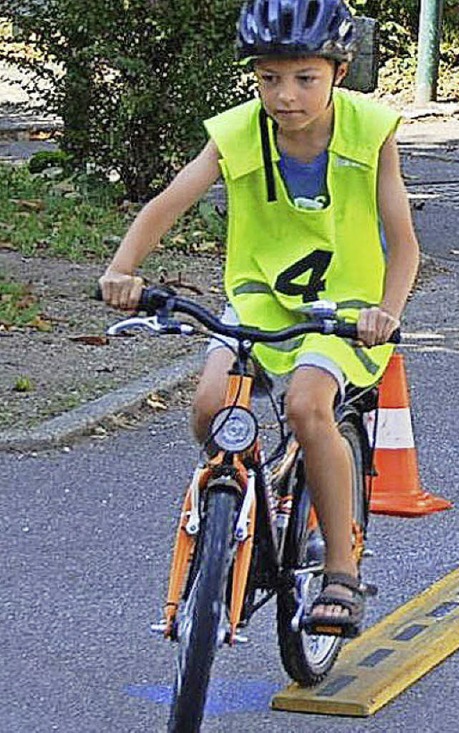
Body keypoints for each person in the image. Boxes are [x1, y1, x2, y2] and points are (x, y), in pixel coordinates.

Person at [99, 0, 420, 637]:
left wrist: (386, 311)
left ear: (339, 68)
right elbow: (170, 202)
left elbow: (403, 242)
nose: (285, 95)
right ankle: (236, 505)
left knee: (307, 406)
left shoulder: (369, 131)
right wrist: (123, 267)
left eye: (304, 77)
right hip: (259, 299)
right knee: (208, 407)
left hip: (347, 306)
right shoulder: (239, 133)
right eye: (269, 77)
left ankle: (339, 570)